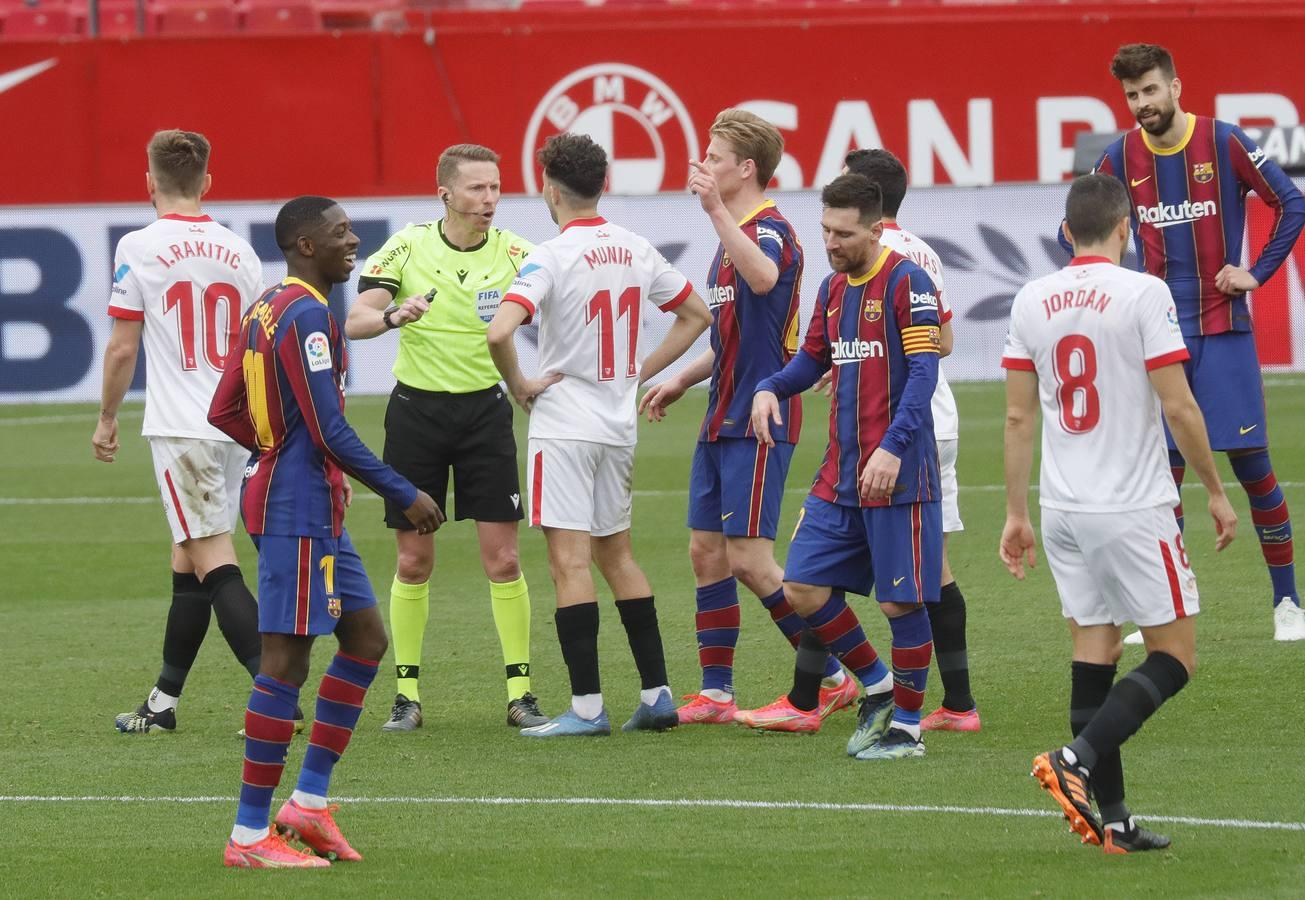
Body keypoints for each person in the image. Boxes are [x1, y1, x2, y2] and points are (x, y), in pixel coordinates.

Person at [1007, 174, 1237, 853]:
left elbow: (1018, 415)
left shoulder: (1031, 298)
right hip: (1131, 507)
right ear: (1124, 228)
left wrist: (1014, 514)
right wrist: (1216, 491)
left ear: (1064, 232)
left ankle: (1112, 822)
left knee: (1095, 650)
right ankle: (1072, 759)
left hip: (1062, 508)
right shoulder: (1143, 292)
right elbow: (1178, 405)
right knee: (1175, 657)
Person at [210, 196, 441, 868]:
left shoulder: (267, 305)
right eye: (339, 233)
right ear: (303, 244)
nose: (353, 240)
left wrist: (271, 449)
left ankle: (306, 806)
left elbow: (225, 407)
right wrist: (403, 491)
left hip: (310, 502)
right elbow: (329, 430)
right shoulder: (308, 313)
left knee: (366, 637)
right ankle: (249, 837)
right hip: (296, 507)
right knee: (284, 660)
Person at [1066, 43, 1305, 641]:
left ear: (1175, 86)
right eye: (1132, 95)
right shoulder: (1120, 155)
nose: (1142, 103)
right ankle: (1165, 606)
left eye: (1150, 90)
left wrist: (1257, 270)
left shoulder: (1224, 141)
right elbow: (1080, 226)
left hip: (1223, 332)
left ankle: (1288, 603)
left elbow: (1291, 202)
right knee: (1160, 477)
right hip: (1156, 339)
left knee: (1254, 469)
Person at [487, 133, 712, 737]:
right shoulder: (636, 246)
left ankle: (586, 708)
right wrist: (639, 371)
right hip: (617, 426)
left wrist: (521, 386)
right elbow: (699, 315)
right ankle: (658, 694)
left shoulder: (551, 254)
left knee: (569, 562)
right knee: (618, 555)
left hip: (563, 427)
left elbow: (498, 331)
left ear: (550, 189)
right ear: (602, 184)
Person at [638, 108, 855, 726]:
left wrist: (713, 210)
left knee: (751, 560)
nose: (703, 164)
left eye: (713, 155)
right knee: (705, 552)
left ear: (745, 168)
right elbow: (732, 336)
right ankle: (716, 693)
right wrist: (680, 377)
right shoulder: (733, 235)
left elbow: (763, 281)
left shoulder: (769, 232)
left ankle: (836, 674)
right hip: (721, 413)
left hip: (761, 417)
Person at [346, 144, 547, 730]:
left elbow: (564, 309)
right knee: (413, 560)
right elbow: (356, 319)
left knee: (504, 558)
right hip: (416, 418)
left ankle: (521, 694)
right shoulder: (407, 246)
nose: (489, 199)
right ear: (446, 195)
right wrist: (392, 317)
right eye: (477, 189)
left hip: (486, 416)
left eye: (495, 188)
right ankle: (406, 696)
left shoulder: (518, 254)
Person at [749, 174, 942, 760]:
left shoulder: (909, 281)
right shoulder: (833, 289)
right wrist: (771, 388)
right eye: (826, 229)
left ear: (877, 229)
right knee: (802, 585)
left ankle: (907, 731)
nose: (831, 242)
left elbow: (924, 374)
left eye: (844, 232)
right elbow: (812, 359)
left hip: (898, 474)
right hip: (841, 473)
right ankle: (879, 688)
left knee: (900, 603)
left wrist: (894, 447)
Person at [94, 129, 269, 734]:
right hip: (234, 425)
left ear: (149, 183)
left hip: (181, 427)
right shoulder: (239, 251)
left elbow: (122, 348)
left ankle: (277, 694)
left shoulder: (138, 247)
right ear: (208, 183)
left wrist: (108, 417)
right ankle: (163, 703)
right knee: (188, 557)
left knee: (214, 560)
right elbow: (258, 345)